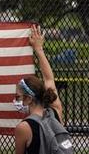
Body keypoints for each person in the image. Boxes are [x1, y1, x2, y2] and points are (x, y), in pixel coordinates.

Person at [14, 25, 64, 154]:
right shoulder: (56, 113)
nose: (15, 101)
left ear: (28, 99)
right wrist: (38, 49)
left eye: (18, 97)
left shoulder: (23, 128)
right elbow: (49, 80)